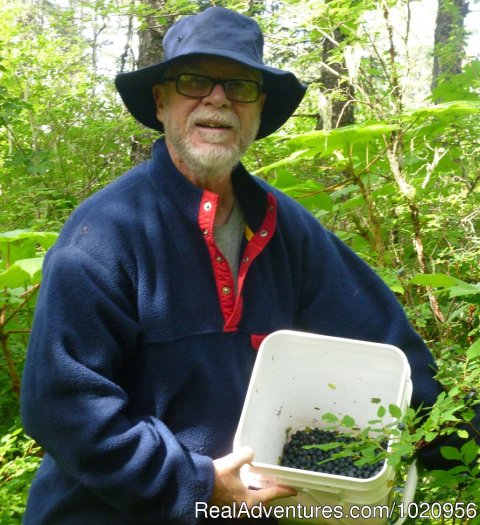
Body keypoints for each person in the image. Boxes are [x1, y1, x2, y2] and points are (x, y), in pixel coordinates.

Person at [20, 6, 478, 525]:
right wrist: (195, 485)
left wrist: (459, 432)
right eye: (194, 81)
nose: (217, 98)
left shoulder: (288, 229)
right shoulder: (105, 233)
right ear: (161, 100)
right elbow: (62, 407)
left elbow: (382, 345)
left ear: (259, 111)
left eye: (239, 85)